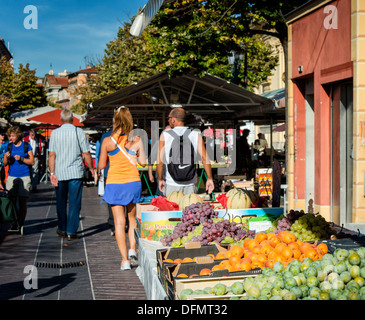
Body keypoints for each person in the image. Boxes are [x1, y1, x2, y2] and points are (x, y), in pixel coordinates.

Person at [98, 106, 146, 270]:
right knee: (132, 219)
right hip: (133, 182)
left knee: (119, 223)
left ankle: (125, 260)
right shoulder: (137, 139)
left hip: (114, 183)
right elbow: (143, 163)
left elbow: (101, 165)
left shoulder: (107, 141)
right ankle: (133, 248)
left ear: (115, 120)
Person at [48, 109, 94, 241]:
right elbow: (86, 153)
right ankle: (71, 231)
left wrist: (52, 173)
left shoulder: (55, 133)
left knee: (61, 202)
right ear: (72, 119)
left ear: (61, 120)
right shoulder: (78, 132)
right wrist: (91, 168)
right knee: (74, 203)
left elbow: (51, 154)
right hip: (75, 173)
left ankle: (62, 228)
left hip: (60, 173)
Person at [157, 107, 214, 196]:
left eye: (169, 118)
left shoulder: (165, 136)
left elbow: (160, 162)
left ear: (174, 120)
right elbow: (204, 158)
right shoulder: (195, 134)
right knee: (189, 209)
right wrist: (209, 178)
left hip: (172, 183)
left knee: (173, 209)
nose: (168, 120)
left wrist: (160, 179)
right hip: (190, 183)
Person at [3, 126, 35, 232]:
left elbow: (32, 161)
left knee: (22, 201)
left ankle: (21, 222)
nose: (10, 138)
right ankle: (13, 222)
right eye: (9, 136)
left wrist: (22, 159)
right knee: (10, 200)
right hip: (12, 176)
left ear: (18, 135)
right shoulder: (9, 146)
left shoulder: (26, 146)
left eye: (12, 135)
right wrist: (6, 157)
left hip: (24, 175)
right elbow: (4, 163)